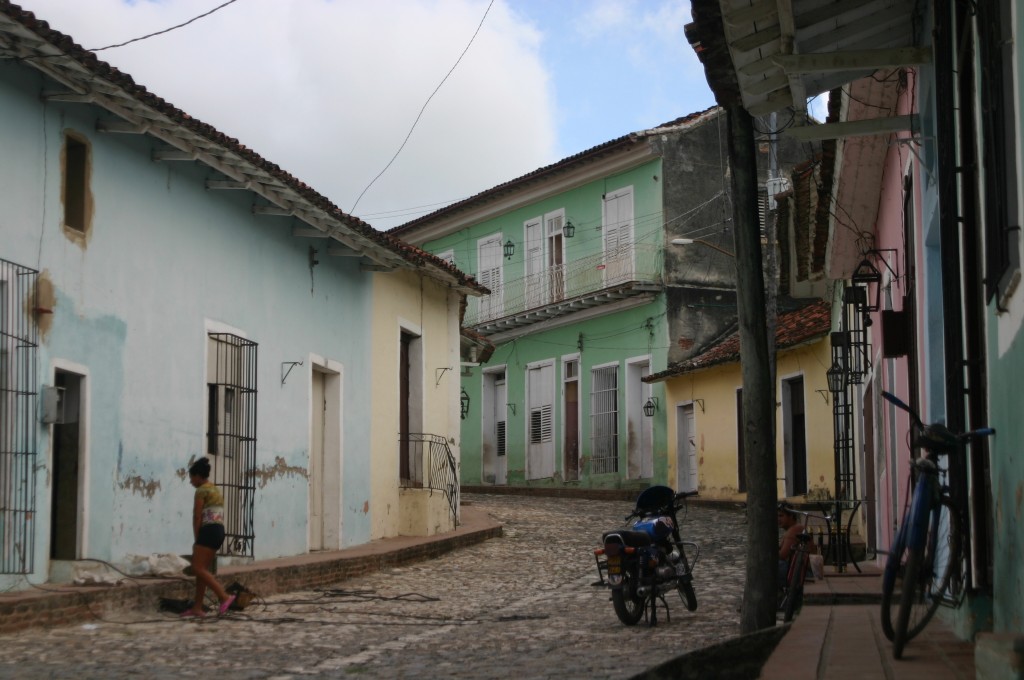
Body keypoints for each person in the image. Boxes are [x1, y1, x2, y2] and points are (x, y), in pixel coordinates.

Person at [181, 457, 236, 618]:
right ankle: (197, 607)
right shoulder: (214, 489)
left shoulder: (201, 491)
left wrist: (196, 538)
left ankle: (224, 596)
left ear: (198, 476)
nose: (191, 482)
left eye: (191, 478)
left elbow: (197, 516)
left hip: (208, 531)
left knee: (196, 568)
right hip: (219, 530)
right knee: (202, 571)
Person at [777, 502, 815, 587]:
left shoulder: (794, 530)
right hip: (800, 571)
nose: (778, 519)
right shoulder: (792, 529)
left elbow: (782, 555)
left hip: (804, 573)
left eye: (781, 516)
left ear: (791, 516)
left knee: (770, 566)